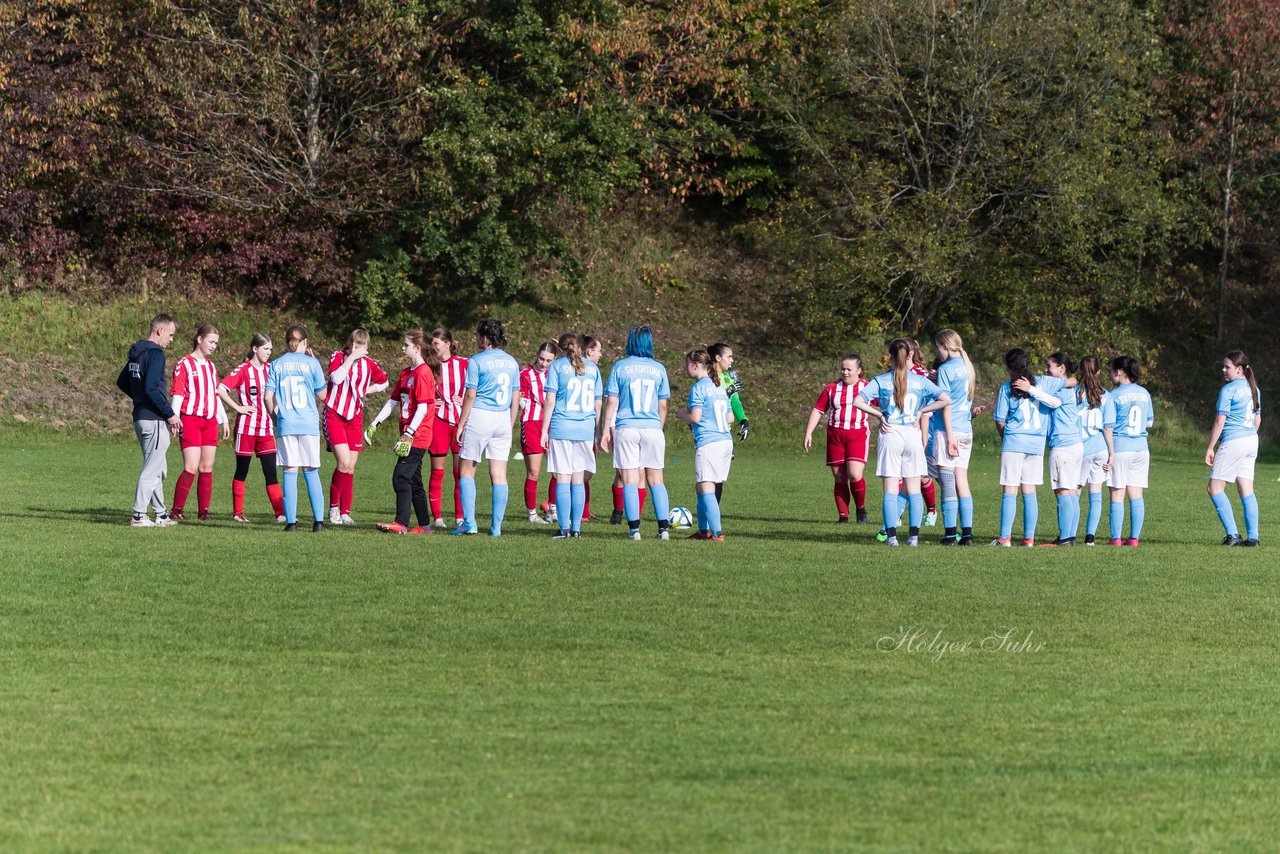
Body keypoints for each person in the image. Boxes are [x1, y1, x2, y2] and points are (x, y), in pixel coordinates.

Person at [852, 338, 952, 546]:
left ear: (889, 356)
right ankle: (913, 538)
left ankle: (892, 538)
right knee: (914, 488)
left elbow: (857, 401)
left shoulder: (881, 380)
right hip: (912, 434)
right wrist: (922, 411)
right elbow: (945, 399)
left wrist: (879, 415)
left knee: (891, 488)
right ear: (910, 355)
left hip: (891, 434)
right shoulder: (920, 380)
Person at [601, 325, 673, 540]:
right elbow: (663, 407)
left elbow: (612, 401)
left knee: (630, 478)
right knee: (656, 480)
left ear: (630, 341)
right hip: (652, 428)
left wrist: (605, 430)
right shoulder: (659, 368)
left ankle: (634, 530)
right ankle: (663, 529)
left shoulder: (620, 367)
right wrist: (656, 430)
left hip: (627, 428)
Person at [451, 319, 521, 536]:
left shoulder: (476, 361)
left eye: (477, 335)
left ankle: (469, 523)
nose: (475, 338)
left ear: (484, 337)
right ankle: (496, 527)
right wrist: (509, 423)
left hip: (481, 416)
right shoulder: (511, 362)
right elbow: (515, 397)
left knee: (466, 471)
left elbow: (470, 396)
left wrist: (461, 425)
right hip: (502, 418)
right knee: (499, 474)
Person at [991, 348, 1066, 546]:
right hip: (1036, 444)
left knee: (1010, 490)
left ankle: (1004, 538)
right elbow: (1070, 381)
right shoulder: (1044, 382)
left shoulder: (1007, 387)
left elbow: (1000, 420)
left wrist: (1004, 437)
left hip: (1014, 442)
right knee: (1029, 491)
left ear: (1009, 367)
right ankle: (1029, 538)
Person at [116, 314, 182, 527]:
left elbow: (122, 381)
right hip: (153, 419)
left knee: (157, 467)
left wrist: (140, 399)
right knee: (152, 468)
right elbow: (152, 388)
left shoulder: (138, 351)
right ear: (159, 330)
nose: (171, 340)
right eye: (170, 335)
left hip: (141, 417)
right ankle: (138, 516)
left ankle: (161, 515)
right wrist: (170, 414)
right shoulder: (155, 353)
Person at [264, 325, 328, 532]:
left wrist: (275, 417)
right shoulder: (312, 363)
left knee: (290, 471)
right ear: (305, 342)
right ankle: (318, 522)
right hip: (308, 423)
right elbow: (323, 396)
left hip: (286, 423)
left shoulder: (276, 364)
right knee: (311, 471)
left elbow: (267, 397)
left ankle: (291, 522)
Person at [374, 330, 438, 534]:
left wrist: (409, 433)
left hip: (418, 436)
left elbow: (423, 408)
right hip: (409, 435)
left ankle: (401, 523)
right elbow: (393, 401)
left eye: (406, 345)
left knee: (400, 477)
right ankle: (425, 526)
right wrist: (375, 423)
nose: (402, 348)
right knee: (414, 481)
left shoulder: (423, 373)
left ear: (417, 348)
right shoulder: (405, 373)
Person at [218, 333, 286, 523]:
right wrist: (238, 407)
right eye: (266, 349)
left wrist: (276, 415)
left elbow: (276, 396)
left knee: (271, 472)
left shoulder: (272, 369)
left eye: (271, 349)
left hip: (266, 430)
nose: (269, 353)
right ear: (255, 349)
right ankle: (238, 513)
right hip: (246, 429)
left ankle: (280, 513)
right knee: (242, 471)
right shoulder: (243, 370)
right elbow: (221, 389)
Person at [325, 328, 389, 526]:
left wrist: (367, 390)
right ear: (349, 343)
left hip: (355, 417)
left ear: (367, 347)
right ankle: (333, 508)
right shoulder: (338, 357)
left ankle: (345, 512)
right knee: (343, 462)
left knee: (351, 467)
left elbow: (385, 382)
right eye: (355, 344)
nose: (358, 348)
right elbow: (335, 379)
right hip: (335, 414)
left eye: (362, 345)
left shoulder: (369, 364)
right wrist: (350, 358)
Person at [542, 332, 603, 538]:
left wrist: (544, 430)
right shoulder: (593, 368)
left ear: (560, 348)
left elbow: (550, 401)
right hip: (584, 429)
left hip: (562, 428)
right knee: (578, 480)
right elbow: (598, 403)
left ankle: (564, 528)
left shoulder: (557, 367)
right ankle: (576, 529)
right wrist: (596, 430)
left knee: (563, 479)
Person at [169, 323, 230, 521]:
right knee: (191, 466)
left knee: (207, 467)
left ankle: (203, 512)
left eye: (216, 343)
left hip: (210, 421)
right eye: (211, 342)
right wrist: (174, 417)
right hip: (191, 420)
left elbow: (215, 393)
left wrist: (223, 419)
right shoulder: (184, 363)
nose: (213, 346)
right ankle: (176, 510)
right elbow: (178, 391)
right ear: (199, 339)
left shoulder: (211, 366)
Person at [802, 355, 870, 525]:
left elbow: (884, 404)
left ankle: (860, 509)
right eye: (843, 369)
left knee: (854, 474)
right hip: (835, 436)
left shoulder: (867, 388)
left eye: (849, 369)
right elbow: (818, 410)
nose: (845, 372)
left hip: (858, 434)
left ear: (859, 371)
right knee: (839, 477)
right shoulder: (832, 388)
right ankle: (843, 516)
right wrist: (808, 432)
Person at [676, 350, 735, 540]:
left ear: (695, 365)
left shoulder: (699, 387)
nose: (686, 368)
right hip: (725, 441)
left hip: (710, 443)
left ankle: (717, 533)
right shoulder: (718, 386)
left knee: (706, 487)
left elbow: (695, 417)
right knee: (701, 487)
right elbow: (730, 417)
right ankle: (703, 531)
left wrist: (680, 414)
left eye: (687, 364)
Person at [1206, 350, 1261, 546]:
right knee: (1246, 489)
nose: (1223, 369)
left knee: (1214, 488)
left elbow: (1220, 421)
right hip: (1251, 440)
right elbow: (1257, 419)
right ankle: (1253, 538)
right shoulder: (1254, 388)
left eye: (1227, 366)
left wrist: (1210, 447)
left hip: (1234, 441)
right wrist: (1248, 436)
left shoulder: (1228, 390)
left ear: (1239, 369)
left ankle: (1233, 535)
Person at [931, 330, 976, 545]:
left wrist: (949, 437)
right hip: (966, 429)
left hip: (948, 430)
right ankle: (966, 534)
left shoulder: (945, 369)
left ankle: (950, 534)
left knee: (948, 483)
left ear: (945, 346)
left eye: (937, 347)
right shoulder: (967, 367)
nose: (936, 352)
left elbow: (946, 404)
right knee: (962, 482)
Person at [1104, 356, 1154, 546]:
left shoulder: (1113, 395)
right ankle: (1134, 538)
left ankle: (1115, 538)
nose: (1109, 374)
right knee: (1136, 494)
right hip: (1141, 448)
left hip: (1121, 447)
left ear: (1118, 372)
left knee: (1117, 493)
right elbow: (1149, 422)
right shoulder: (1144, 393)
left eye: (1111, 370)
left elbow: (1108, 424)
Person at [426, 328, 468, 528]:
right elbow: (421, 388)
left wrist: (468, 399)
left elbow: (476, 388)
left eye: (437, 344)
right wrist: (430, 401)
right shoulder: (429, 366)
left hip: (460, 422)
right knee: (437, 470)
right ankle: (438, 518)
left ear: (448, 344)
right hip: (439, 421)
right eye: (432, 344)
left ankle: (460, 516)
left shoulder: (465, 364)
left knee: (460, 472)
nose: (433, 347)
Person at [1041, 352, 1084, 546]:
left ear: (1061, 368)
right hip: (1075, 443)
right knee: (1072, 491)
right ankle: (1070, 536)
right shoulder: (1068, 386)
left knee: (1062, 491)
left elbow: (1049, 400)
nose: (1046, 370)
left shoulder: (1059, 389)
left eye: (1049, 366)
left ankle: (1065, 537)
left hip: (1063, 445)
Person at [1074, 356, 1114, 545]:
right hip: (1100, 448)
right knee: (1096, 493)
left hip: (1081, 448)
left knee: (1075, 491)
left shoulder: (1074, 393)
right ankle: (1090, 537)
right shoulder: (1106, 395)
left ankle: (1070, 533)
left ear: (1081, 371)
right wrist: (1111, 452)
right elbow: (1107, 428)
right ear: (1098, 371)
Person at [707, 342, 749, 510]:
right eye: (729, 356)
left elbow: (736, 403)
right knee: (708, 480)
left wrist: (744, 421)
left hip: (725, 435)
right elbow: (710, 404)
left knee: (719, 480)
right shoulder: (707, 379)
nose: (732, 360)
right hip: (710, 434)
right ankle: (708, 522)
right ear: (718, 358)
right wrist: (728, 391)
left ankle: (712, 520)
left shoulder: (729, 377)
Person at [520, 341, 557, 524]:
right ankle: (532, 514)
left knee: (557, 470)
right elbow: (519, 399)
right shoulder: (525, 375)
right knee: (534, 472)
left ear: (554, 360)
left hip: (553, 424)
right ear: (536, 355)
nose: (544, 363)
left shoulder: (556, 373)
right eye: (541, 358)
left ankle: (552, 510)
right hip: (531, 424)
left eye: (548, 360)